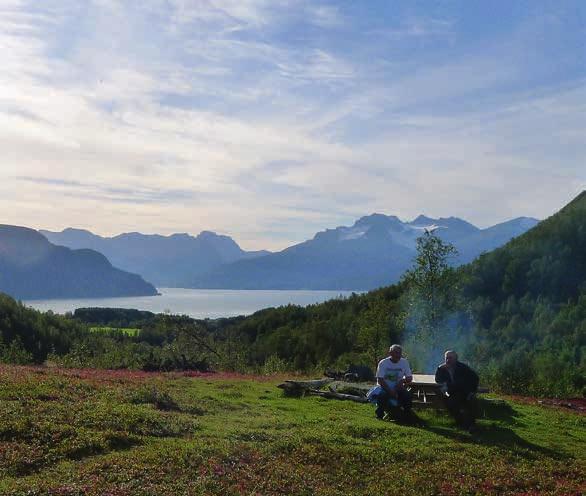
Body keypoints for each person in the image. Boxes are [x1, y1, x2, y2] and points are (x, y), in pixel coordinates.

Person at [435, 350, 479, 432]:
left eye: (450, 358)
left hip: (464, 391)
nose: (448, 360)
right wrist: (439, 369)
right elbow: (438, 380)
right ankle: (461, 422)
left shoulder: (462, 367)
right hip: (453, 392)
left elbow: (475, 378)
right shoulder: (442, 368)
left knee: (459, 402)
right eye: (446, 358)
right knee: (446, 399)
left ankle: (469, 424)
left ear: (456, 359)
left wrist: (472, 391)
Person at [368, 344, 413, 420]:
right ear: (390, 353)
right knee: (382, 396)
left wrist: (402, 380)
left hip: (397, 387)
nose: (398, 355)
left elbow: (409, 378)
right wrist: (390, 391)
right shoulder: (383, 363)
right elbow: (380, 380)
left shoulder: (404, 362)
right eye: (396, 353)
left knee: (407, 396)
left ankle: (407, 415)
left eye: (399, 353)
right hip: (384, 387)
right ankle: (379, 415)